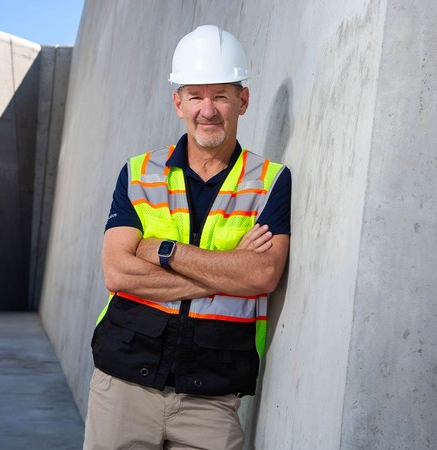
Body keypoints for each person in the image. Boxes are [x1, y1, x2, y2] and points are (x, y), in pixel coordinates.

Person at [84, 24, 291, 450]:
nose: (208, 110)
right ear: (178, 103)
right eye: (196, 95)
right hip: (123, 385)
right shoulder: (139, 172)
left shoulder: (270, 181)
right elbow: (118, 272)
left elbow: (262, 276)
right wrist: (228, 267)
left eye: (221, 96)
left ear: (243, 101)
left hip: (211, 398)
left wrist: (163, 251)